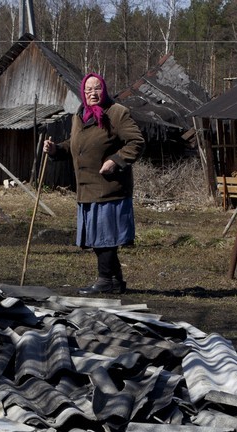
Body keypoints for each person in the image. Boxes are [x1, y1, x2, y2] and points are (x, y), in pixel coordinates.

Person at [44, 73, 145, 295]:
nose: (93, 93)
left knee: (104, 238)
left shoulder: (117, 113)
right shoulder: (79, 115)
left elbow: (136, 141)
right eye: (88, 89)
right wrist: (57, 150)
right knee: (99, 237)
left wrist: (115, 160)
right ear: (83, 92)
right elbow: (76, 144)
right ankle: (116, 281)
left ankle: (105, 280)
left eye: (97, 88)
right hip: (87, 188)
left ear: (104, 89)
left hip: (109, 187)